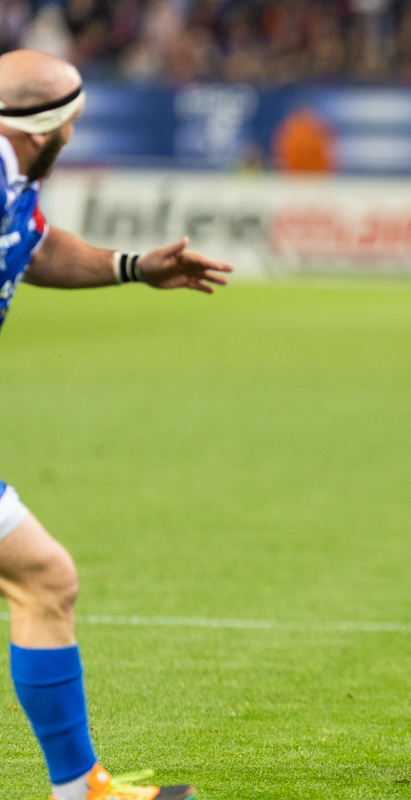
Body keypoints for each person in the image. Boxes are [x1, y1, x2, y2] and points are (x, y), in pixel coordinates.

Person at [0, 50, 232, 800]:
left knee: (42, 579)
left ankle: (79, 789)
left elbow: (32, 246)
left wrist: (132, 265)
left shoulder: (12, 176)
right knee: (44, 578)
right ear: (51, 128)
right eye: (73, 123)